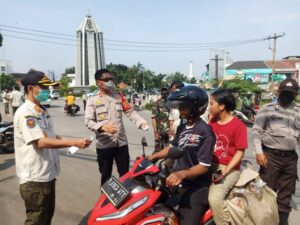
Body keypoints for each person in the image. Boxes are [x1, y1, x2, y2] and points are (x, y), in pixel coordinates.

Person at [14, 71, 91, 225]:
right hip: (35, 178)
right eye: (43, 87)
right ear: (30, 88)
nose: (46, 91)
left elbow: (51, 137)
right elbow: (40, 142)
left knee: (45, 219)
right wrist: (73, 143)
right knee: (37, 221)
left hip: (47, 174)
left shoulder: (41, 110)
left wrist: (76, 141)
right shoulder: (26, 113)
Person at [148, 86, 216, 225]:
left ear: (195, 108)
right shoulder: (182, 127)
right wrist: (152, 158)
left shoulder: (205, 132)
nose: (180, 110)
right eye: (180, 107)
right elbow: (171, 148)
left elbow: (204, 166)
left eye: (183, 107)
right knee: (152, 209)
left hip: (196, 186)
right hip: (175, 181)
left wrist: (182, 174)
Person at [85, 69, 148, 186]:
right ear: (98, 82)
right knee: (106, 175)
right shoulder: (92, 100)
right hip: (104, 144)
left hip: (121, 143)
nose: (110, 81)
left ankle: (125, 201)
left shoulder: (119, 97)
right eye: (106, 79)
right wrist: (102, 127)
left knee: (125, 175)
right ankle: (106, 200)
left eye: (111, 79)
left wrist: (141, 122)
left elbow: (130, 112)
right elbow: (88, 121)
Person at [252, 77, 299, 225]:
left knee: (287, 192)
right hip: (270, 156)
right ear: (278, 92)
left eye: (291, 93)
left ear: (295, 94)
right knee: (267, 190)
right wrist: (259, 152)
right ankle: (264, 220)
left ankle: (282, 221)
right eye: (284, 92)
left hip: (290, 158)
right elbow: (256, 131)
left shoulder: (298, 111)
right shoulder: (267, 109)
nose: (287, 95)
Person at [208, 89, 248, 225]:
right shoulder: (212, 122)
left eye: (211, 104)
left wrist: (226, 169)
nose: (209, 107)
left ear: (222, 106)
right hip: (209, 164)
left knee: (215, 199)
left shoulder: (238, 126)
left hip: (227, 168)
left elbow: (240, 152)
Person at [152, 87, 170, 153]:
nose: (164, 92)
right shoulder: (156, 103)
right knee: (157, 150)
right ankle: (150, 162)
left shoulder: (172, 103)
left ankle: (167, 163)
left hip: (171, 131)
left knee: (170, 152)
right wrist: (155, 132)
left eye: (166, 90)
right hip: (160, 131)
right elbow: (153, 118)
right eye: (163, 90)